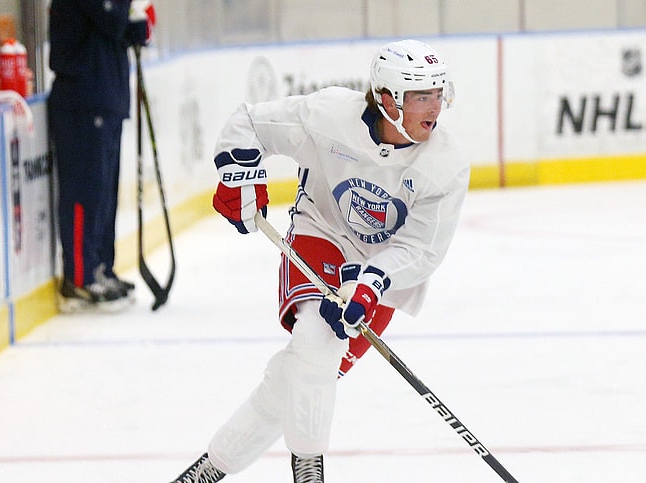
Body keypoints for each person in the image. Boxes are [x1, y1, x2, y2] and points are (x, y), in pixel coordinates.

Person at [170, 39, 469, 483]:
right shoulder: (330, 116)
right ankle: (309, 474)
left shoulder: (445, 164)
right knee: (315, 340)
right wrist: (238, 177)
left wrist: (371, 283)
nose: (433, 108)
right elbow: (251, 122)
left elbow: (422, 249)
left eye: (437, 94)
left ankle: (206, 472)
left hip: (383, 270)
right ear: (386, 99)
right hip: (321, 234)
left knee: (301, 376)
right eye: (419, 97)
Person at [47, 0, 154, 312]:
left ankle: (101, 268)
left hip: (106, 98)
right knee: (85, 191)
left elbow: (134, 30)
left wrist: (139, 21)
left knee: (104, 196)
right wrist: (130, 14)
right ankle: (79, 279)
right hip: (83, 100)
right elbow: (112, 20)